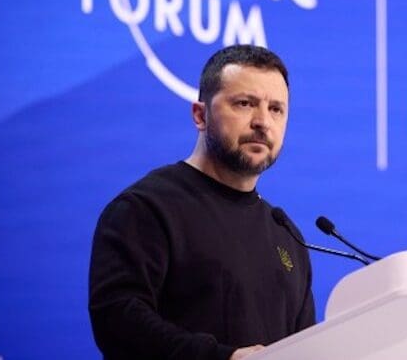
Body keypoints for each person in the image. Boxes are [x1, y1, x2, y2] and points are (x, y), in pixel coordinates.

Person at [89, 45, 315, 360]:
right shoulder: (146, 208)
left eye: (276, 109)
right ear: (200, 115)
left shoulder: (286, 236)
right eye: (245, 103)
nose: (263, 122)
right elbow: (117, 319)